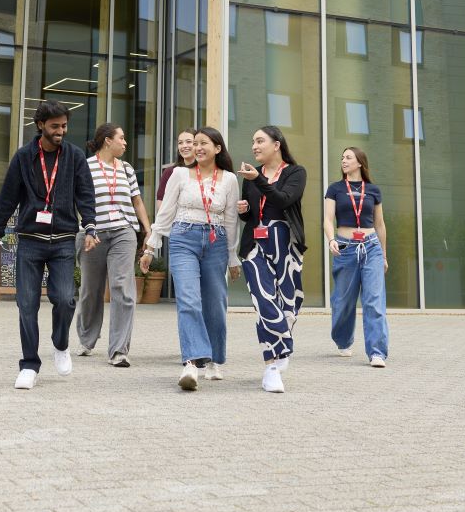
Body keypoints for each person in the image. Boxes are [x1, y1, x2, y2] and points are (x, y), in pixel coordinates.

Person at [0, 101, 97, 390]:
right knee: (27, 304)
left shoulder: (74, 156)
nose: (61, 131)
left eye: (64, 126)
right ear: (40, 126)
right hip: (30, 243)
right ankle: (29, 365)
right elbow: (8, 197)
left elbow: (85, 194)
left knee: (64, 298)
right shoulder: (23, 157)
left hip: (61, 242)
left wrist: (90, 227)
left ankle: (60, 344)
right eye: (55, 126)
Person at [141, 127, 240, 391]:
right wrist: (151, 246)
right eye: (194, 143)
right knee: (188, 299)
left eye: (203, 143)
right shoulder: (179, 174)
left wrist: (233, 257)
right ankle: (191, 363)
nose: (197, 147)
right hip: (183, 237)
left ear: (217, 148)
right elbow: (165, 213)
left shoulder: (229, 179)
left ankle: (215, 359)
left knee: (215, 303)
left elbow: (231, 220)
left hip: (216, 241)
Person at [236, 126, 307, 394]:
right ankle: (276, 359)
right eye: (253, 141)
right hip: (255, 243)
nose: (254, 146)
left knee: (288, 304)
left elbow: (285, 199)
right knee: (262, 298)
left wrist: (258, 181)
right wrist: (244, 210)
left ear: (276, 144)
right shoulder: (251, 175)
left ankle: (274, 361)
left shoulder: (295, 172)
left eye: (260, 141)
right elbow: (252, 213)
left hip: (285, 243)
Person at [75, 123, 151, 367]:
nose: (125, 142)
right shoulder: (85, 166)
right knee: (90, 290)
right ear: (107, 140)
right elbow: (76, 200)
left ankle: (119, 350)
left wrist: (148, 230)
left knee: (123, 288)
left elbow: (136, 201)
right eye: (122, 138)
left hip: (123, 232)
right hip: (91, 234)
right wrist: (85, 227)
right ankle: (87, 338)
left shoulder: (127, 169)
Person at [324, 146, 388, 368]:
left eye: (348, 157)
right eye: (342, 157)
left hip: (371, 247)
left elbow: (380, 225)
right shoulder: (335, 189)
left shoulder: (373, 190)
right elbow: (327, 219)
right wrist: (331, 239)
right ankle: (343, 339)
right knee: (343, 302)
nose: (343, 160)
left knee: (374, 301)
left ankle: (377, 351)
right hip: (345, 247)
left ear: (360, 162)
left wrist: (384, 256)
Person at [155, 130, 196, 205]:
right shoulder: (170, 171)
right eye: (180, 143)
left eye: (189, 142)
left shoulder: (204, 171)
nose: (184, 146)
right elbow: (161, 202)